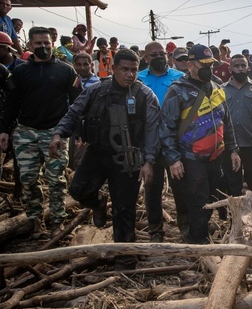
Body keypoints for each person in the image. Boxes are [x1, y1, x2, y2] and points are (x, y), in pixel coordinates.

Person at [50, 49, 159, 270]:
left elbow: (152, 130)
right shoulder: (96, 90)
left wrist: (148, 161)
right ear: (113, 69)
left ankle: (125, 258)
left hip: (128, 157)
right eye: (124, 69)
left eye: (134, 70)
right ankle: (98, 204)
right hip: (97, 152)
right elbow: (74, 112)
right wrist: (58, 134)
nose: (129, 74)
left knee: (124, 208)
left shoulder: (145, 95)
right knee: (78, 190)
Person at [0, 27, 82, 236]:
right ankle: (35, 219)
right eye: (38, 44)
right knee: (27, 179)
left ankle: (57, 221)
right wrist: (4, 130)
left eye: (47, 43)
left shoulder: (66, 70)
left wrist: (77, 130)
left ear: (52, 44)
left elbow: (77, 102)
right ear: (30, 45)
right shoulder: (19, 72)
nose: (44, 47)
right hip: (26, 131)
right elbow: (11, 102)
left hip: (55, 132)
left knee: (56, 179)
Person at [159, 44, 240, 244]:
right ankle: (198, 240)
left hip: (215, 156)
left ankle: (200, 232)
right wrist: (173, 159)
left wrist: (233, 149)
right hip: (190, 157)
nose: (208, 68)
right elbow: (166, 128)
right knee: (198, 199)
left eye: (210, 64)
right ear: (189, 64)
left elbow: (226, 122)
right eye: (203, 64)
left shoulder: (216, 88)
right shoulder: (177, 91)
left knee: (211, 197)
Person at [138, 41, 185, 242]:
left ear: (167, 55)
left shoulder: (180, 78)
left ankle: (186, 228)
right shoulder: (138, 79)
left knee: (180, 187)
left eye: (161, 53)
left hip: (175, 142)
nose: (158, 57)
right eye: (153, 54)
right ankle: (155, 231)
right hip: (149, 143)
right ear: (146, 58)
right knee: (152, 188)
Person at [221, 54, 252, 210]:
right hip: (230, 147)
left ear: (248, 67)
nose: (240, 69)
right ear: (230, 69)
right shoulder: (221, 90)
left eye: (243, 65)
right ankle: (235, 223)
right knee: (233, 186)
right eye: (236, 66)